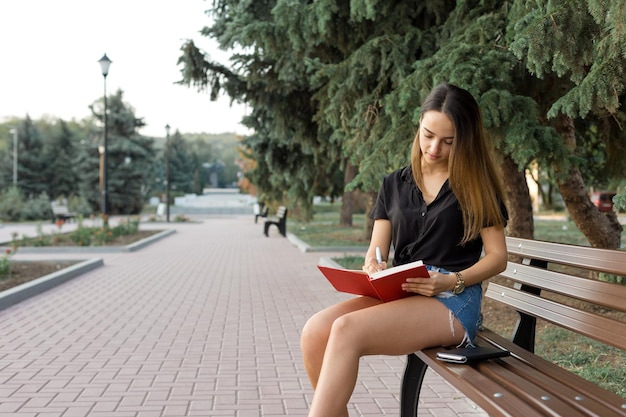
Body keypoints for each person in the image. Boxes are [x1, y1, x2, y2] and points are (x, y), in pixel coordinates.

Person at [300, 83, 509, 417]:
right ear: (419, 126)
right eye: (428, 135)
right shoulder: (394, 184)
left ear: (465, 140)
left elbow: (498, 258)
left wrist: (450, 281)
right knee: (314, 333)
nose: (434, 147)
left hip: (452, 300)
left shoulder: (476, 186)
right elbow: (376, 252)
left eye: (448, 141)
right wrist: (373, 265)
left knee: (345, 330)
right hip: (401, 291)